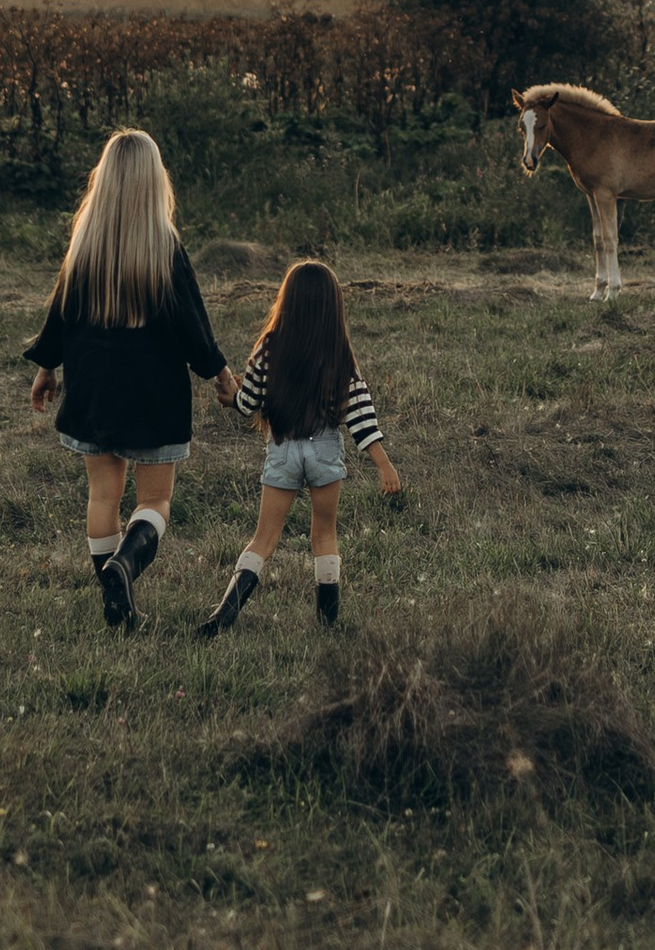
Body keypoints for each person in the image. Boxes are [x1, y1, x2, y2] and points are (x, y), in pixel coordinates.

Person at [24, 129, 236, 629]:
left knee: (103, 496)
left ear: (104, 180)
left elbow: (60, 317)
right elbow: (193, 327)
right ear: (153, 181)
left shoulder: (84, 247)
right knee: (155, 500)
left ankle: (116, 607)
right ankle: (124, 566)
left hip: (93, 389)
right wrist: (221, 373)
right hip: (153, 395)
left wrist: (46, 367)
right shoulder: (165, 248)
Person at [198, 257, 399, 635]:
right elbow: (360, 413)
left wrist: (231, 398)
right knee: (324, 535)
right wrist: (383, 464)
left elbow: (248, 403)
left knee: (263, 539)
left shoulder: (269, 346)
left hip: (283, 448)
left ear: (286, 300)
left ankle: (223, 615)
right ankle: (327, 623)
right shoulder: (338, 351)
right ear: (332, 305)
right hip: (324, 449)